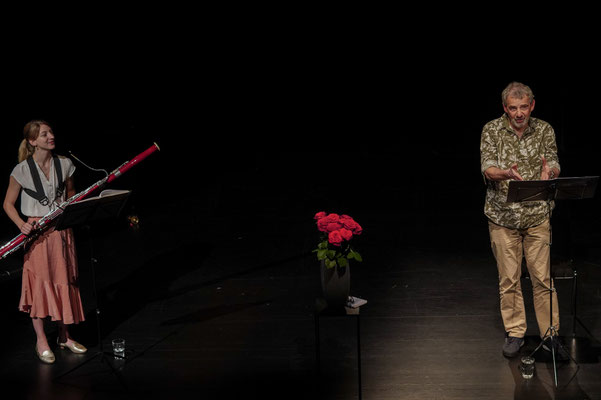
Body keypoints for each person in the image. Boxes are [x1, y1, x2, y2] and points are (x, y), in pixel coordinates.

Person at [480, 82, 569, 360]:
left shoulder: (544, 129)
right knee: (509, 279)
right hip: (503, 218)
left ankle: (550, 334)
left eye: (523, 107)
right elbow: (487, 168)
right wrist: (506, 173)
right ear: (505, 108)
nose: (519, 113)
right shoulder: (492, 130)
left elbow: (554, 161)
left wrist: (550, 173)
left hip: (537, 216)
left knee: (542, 278)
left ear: (532, 105)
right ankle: (515, 332)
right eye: (513, 108)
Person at [3, 120, 87, 364]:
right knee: (39, 286)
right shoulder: (21, 170)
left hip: (61, 230)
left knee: (64, 281)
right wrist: (21, 224)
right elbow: (8, 204)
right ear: (32, 141)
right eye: (44, 134)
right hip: (37, 233)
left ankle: (64, 336)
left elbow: (70, 192)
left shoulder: (65, 164)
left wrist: (68, 206)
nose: (51, 136)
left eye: (50, 132)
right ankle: (41, 341)